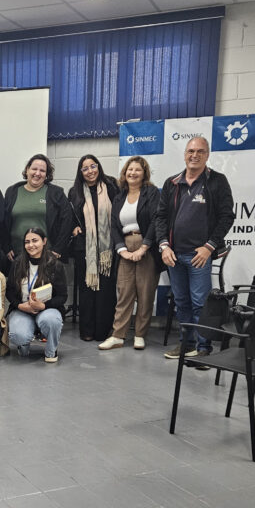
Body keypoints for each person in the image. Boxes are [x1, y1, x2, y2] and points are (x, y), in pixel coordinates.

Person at [155, 136, 235, 359]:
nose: (195, 155)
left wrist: (209, 247)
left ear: (207, 155)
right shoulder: (172, 183)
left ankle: (203, 349)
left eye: (200, 151)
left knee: (200, 303)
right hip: (173, 254)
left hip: (199, 254)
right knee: (181, 302)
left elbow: (227, 216)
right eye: (191, 151)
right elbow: (160, 217)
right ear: (184, 154)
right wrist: (164, 246)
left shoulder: (217, 181)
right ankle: (186, 344)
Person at [99, 157, 161, 351]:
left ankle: (140, 335)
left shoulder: (151, 193)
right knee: (124, 293)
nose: (133, 173)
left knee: (145, 292)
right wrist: (122, 250)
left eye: (137, 170)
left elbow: (156, 220)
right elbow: (114, 225)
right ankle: (118, 335)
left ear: (144, 174)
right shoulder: (120, 196)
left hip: (147, 245)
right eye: (130, 170)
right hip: (125, 246)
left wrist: (144, 247)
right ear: (125, 173)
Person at [67, 154, 118, 342]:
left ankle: (103, 331)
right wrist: (74, 228)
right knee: (87, 289)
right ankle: (87, 330)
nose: (90, 171)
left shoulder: (111, 187)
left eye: (93, 166)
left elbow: (118, 213)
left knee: (106, 290)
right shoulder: (74, 192)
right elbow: (70, 216)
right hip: (84, 247)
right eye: (85, 168)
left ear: (98, 167)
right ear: (80, 172)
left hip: (107, 248)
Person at [6, 227, 67, 364]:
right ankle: (23, 344)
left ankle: (51, 351)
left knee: (52, 321)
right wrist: (20, 306)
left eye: (35, 240)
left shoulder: (55, 265)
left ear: (44, 241)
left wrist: (44, 306)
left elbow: (62, 296)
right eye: (27, 242)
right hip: (23, 309)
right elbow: (9, 291)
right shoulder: (17, 263)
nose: (31, 245)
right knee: (18, 335)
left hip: (47, 309)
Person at [4, 154, 70, 264]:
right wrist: (6, 247)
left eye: (42, 171)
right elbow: (3, 221)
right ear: (27, 170)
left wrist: (58, 249)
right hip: (17, 255)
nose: (38, 173)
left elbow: (67, 222)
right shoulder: (12, 191)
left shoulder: (56, 193)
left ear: (46, 174)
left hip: (46, 256)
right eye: (34, 169)